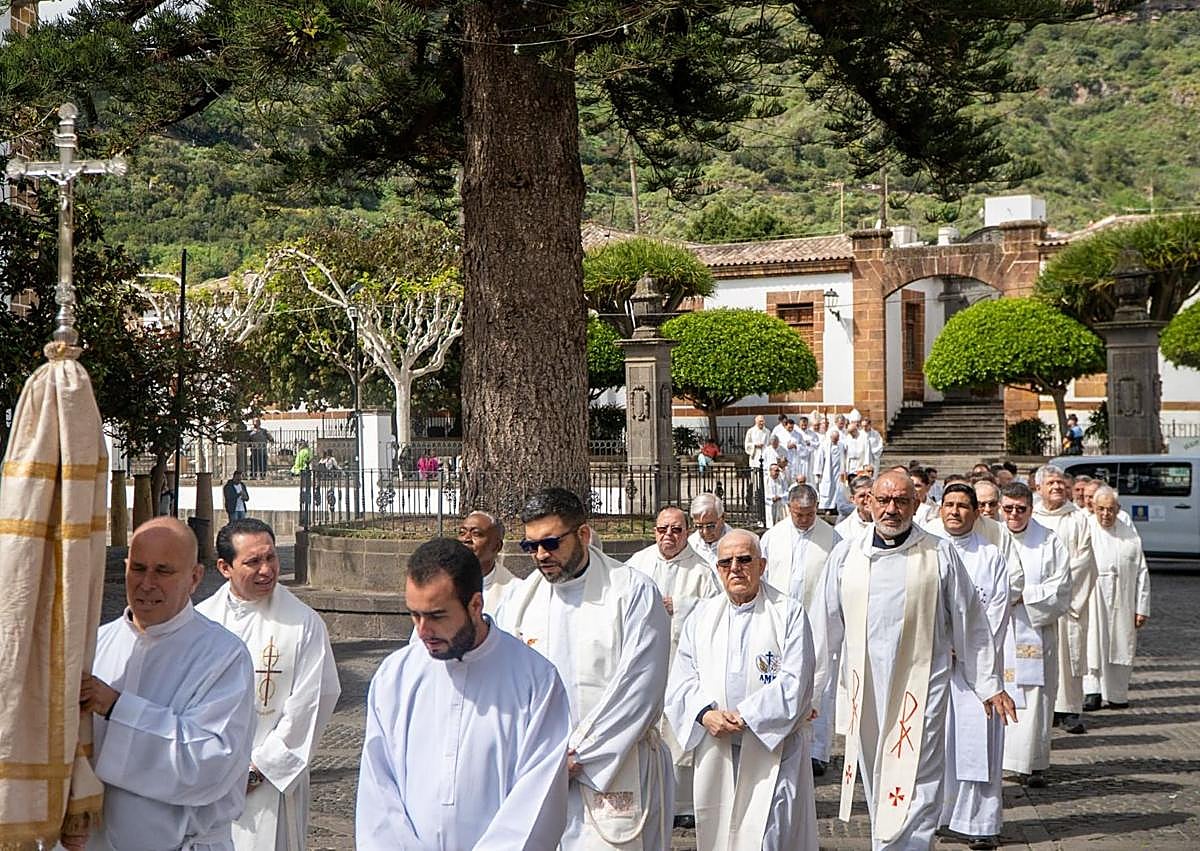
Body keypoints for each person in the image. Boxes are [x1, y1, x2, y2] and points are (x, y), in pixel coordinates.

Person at [823, 471, 1015, 849]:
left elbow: (971, 621)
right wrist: (812, 691)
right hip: (867, 687)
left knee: (918, 777)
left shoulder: (938, 553)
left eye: (901, 501)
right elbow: (825, 624)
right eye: (883, 500)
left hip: (923, 687)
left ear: (915, 504)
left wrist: (989, 683)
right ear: (870, 502)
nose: (891, 509)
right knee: (878, 774)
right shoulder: (847, 555)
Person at [357, 538, 570, 847]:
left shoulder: (535, 681)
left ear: (475, 605)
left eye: (436, 616)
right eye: (415, 614)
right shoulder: (395, 677)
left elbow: (537, 799)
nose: (422, 631)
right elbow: (378, 788)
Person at [498, 488, 673, 850]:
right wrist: (541, 759)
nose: (540, 555)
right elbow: (504, 688)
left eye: (551, 543)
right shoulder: (519, 601)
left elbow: (638, 689)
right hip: (540, 772)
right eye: (530, 546)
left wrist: (578, 754)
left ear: (583, 534)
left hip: (613, 767)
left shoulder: (632, 592)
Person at [79, 517, 255, 850]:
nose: (146, 584)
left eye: (163, 571)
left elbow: (209, 763)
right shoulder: (95, 646)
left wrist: (117, 708)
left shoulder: (223, 656)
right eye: (138, 568)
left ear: (195, 577)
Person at [664, 529, 819, 851]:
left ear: (762, 565)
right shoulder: (702, 616)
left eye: (744, 560)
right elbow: (681, 678)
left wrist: (746, 716)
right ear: (718, 568)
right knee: (719, 833)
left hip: (772, 749)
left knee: (768, 836)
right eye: (726, 562)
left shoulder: (788, 613)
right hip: (716, 746)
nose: (735, 568)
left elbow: (796, 681)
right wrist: (705, 714)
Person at [194, 519, 340, 851]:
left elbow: (312, 703)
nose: (267, 570)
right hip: (207, 782)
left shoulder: (303, 623)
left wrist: (257, 771)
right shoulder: (200, 621)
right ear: (225, 567)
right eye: (253, 561)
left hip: (268, 785)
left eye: (271, 557)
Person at [627, 506, 720, 829]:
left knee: (680, 732)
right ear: (654, 531)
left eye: (677, 530)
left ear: (687, 532)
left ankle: (683, 804)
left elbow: (715, 613)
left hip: (682, 665)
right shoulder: (636, 564)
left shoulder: (702, 570)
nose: (669, 535)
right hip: (645, 665)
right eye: (662, 529)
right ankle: (647, 798)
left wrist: (680, 606)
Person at [936, 485, 1018, 851]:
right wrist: (943, 646)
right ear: (940, 509)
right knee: (939, 745)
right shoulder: (928, 551)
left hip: (979, 667)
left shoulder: (991, 556)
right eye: (949, 505)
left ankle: (981, 824)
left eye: (962, 506)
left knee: (978, 744)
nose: (955, 511)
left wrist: (966, 649)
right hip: (938, 666)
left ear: (976, 512)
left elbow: (996, 611)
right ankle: (938, 815)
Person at [760, 484, 839, 774]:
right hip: (779, 620)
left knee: (819, 683)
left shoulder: (833, 539)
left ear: (816, 508)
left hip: (817, 621)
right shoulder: (773, 537)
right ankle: (776, 738)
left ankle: (817, 750)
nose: (804, 519)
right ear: (788, 509)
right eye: (798, 514)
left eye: (809, 514)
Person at [998, 482, 1072, 788]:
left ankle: (1033, 762)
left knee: (1035, 698)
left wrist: (1023, 595)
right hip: (999, 631)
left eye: (1021, 509)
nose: (1014, 515)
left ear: (1031, 509)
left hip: (1035, 631)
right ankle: (997, 758)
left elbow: (1062, 587)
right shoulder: (991, 536)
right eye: (1008, 508)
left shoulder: (1049, 541)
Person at [1032, 464, 1095, 735]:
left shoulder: (1077, 518)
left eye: (1060, 482)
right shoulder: (1030, 517)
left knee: (1069, 657)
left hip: (1068, 603)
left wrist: (1060, 590)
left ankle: (1069, 709)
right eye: (1051, 483)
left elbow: (1085, 560)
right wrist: (1040, 594)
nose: (1057, 487)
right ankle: (1043, 710)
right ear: (1038, 488)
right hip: (1039, 602)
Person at [1083, 486, 1151, 711]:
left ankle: (1117, 693)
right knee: (1092, 643)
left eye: (1110, 509)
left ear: (1118, 509)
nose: (1106, 514)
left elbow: (1141, 571)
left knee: (1121, 643)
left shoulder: (1129, 533)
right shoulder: (1086, 528)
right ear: (1093, 508)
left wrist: (1142, 607)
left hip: (1123, 598)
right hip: (1093, 597)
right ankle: (1091, 691)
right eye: (1101, 509)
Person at [458, 510, 514, 616]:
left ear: (497, 546)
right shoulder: (442, 581)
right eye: (462, 532)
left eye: (476, 534)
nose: (466, 539)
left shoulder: (513, 591)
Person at [688, 493, 733, 579]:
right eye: (699, 526)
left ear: (723, 517)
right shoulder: (690, 545)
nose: (705, 532)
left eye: (711, 526)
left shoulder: (740, 543)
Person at [812, 429, 844, 516]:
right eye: (834, 438)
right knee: (827, 490)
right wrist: (818, 471)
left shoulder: (841, 445)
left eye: (837, 438)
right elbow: (819, 459)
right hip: (827, 472)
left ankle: (836, 507)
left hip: (838, 472)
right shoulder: (824, 445)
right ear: (831, 438)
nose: (835, 440)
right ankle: (827, 508)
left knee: (838, 490)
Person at [835, 475, 875, 544]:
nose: (867, 499)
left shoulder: (888, 522)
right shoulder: (843, 530)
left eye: (870, 494)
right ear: (853, 499)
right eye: (862, 496)